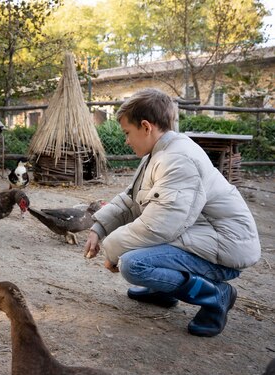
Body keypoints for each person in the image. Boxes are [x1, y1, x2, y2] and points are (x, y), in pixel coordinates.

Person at [83, 88, 260, 338]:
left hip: (226, 248)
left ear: (146, 127)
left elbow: (160, 226)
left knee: (134, 264)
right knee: (138, 253)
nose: (126, 140)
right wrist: (98, 227)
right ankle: (163, 290)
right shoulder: (159, 152)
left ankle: (216, 295)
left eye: (127, 133)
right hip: (202, 238)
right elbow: (132, 199)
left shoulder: (178, 159)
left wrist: (113, 248)